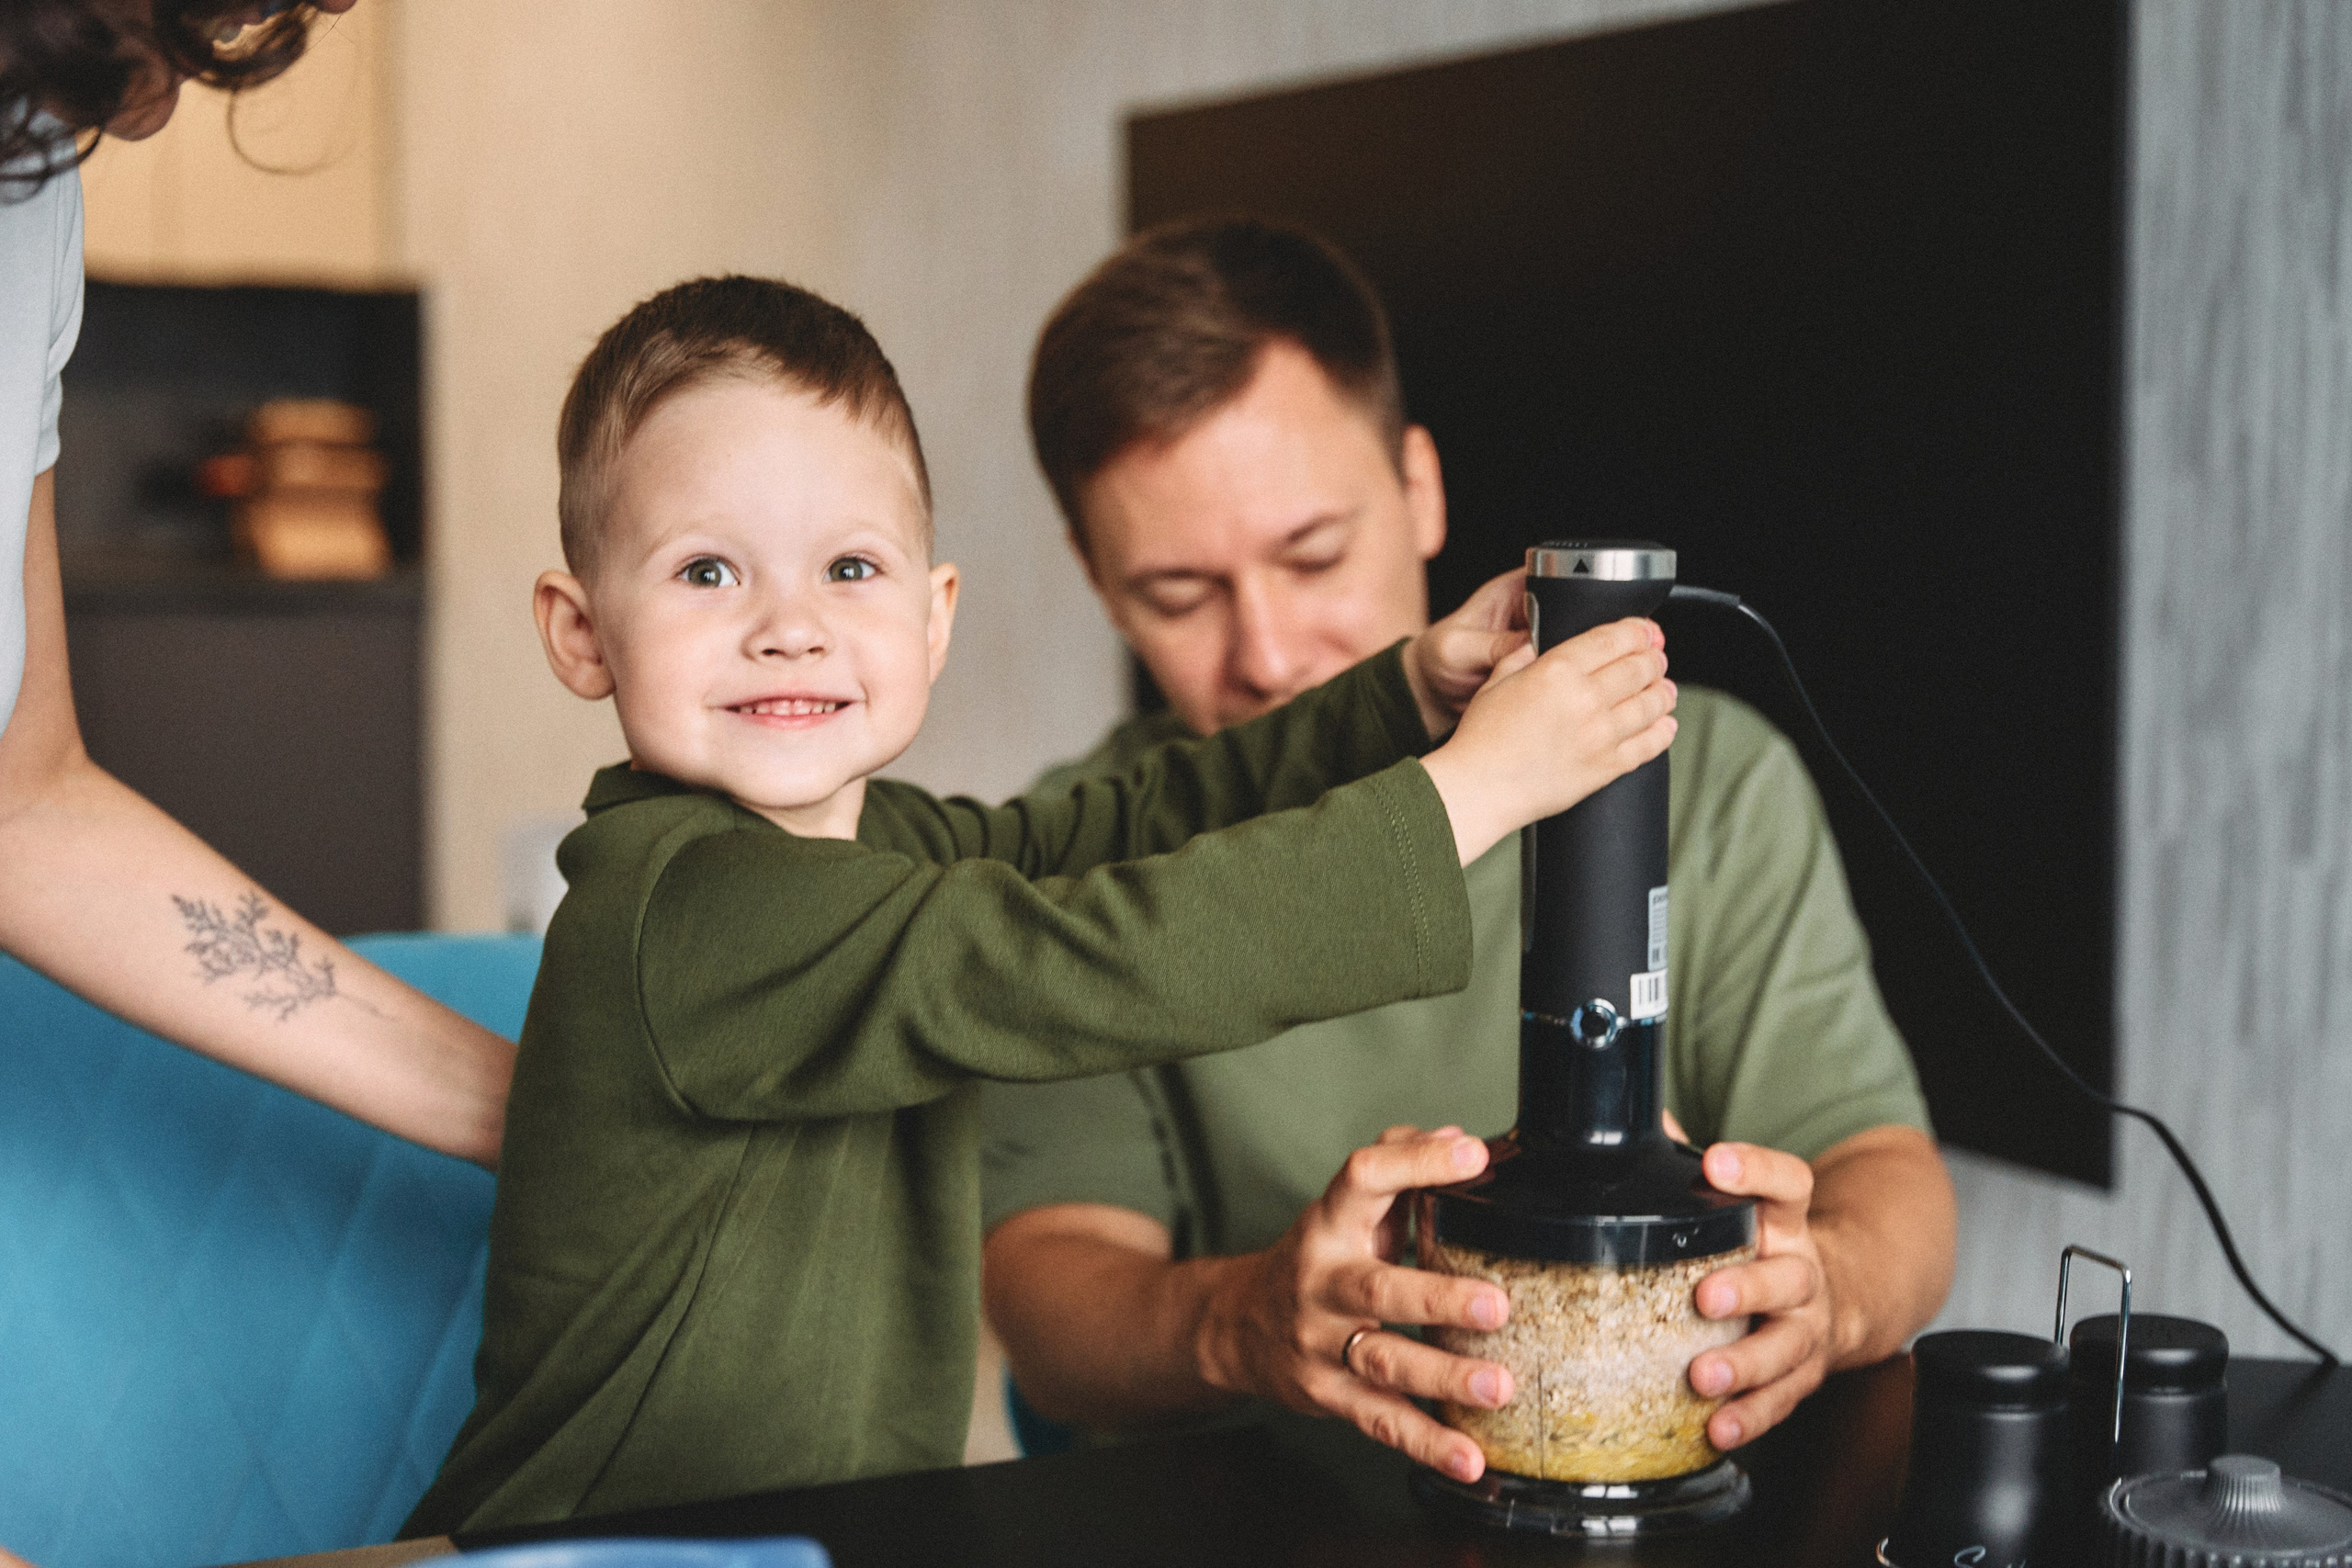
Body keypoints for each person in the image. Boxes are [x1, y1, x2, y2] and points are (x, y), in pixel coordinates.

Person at [401, 274, 1678, 1532]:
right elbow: (1086, 954)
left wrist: (1400, 695)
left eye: (848, 565)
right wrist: (1478, 789)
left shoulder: (878, 847)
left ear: (933, 614)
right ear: (579, 632)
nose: (789, 626)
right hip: (583, 1550)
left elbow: (1113, 831)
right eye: (705, 573)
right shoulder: (690, 906)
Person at [978, 218, 1959, 1483]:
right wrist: (1246, 1318)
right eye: (1178, 593)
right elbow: (1051, 1294)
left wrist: (1832, 1287)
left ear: (1421, 487)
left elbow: (1888, 1175)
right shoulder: (1076, 860)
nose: (1269, 652)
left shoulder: (1707, 776)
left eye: (1314, 553)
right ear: (1098, 580)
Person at [0, 0, 513, 1170]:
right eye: (145, 38)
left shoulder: (26, 192)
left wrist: (529, 1112)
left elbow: (23, 804)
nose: (147, 113)